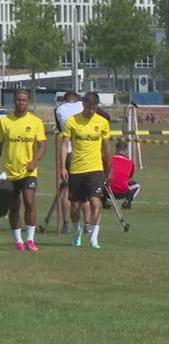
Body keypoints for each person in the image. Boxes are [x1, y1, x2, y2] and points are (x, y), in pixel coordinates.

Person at [59, 91, 111, 249]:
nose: (91, 111)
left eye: (94, 108)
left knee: (96, 202)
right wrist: (62, 167)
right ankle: (77, 231)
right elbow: (64, 145)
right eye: (89, 108)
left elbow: (106, 146)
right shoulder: (72, 122)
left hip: (95, 169)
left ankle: (94, 237)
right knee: (75, 207)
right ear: (83, 105)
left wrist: (109, 166)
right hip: (76, 169)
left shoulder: (102, 122)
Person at [1, 89, 48, 251]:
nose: (21, 103)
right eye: (18, 100)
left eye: (24, 100)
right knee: (14, 206)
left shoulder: (35, 122)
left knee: (29, 201)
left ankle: (30, 239)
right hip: (10, 172)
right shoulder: (4, 122)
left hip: (28, 172)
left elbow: (42, 146)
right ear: (14, 101)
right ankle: (18, 241)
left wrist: (34, 161)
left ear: (28, 102)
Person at [54, 91, 83, 233]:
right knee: (86, 190)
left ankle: (66, 224)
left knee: (66, 189)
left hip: (68, 152)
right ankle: (88, 225)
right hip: (83, 152)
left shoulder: (59, 109)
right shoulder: (83, 105)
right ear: (77, 99)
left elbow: (60, 129)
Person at [103, 140, 142, 209]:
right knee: (137, 186)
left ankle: (105, 200)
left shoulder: (109, 160)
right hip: (123, 192)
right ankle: (128, 201)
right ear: (126, 150)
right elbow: (129, 178)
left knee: (97, 182)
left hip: (108, 191)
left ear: (116, 149)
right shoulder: (130, 163)